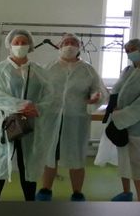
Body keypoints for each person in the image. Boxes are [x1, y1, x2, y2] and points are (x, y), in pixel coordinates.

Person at [0, 29, 54, 201]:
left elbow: (50, 95)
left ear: (30, 45)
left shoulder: (39, 71)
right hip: (5, 122)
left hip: (31, 124)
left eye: (24, 42)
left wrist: (38, 108)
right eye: (16, 42)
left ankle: (29, 202)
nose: (20, 45)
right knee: (0, 161)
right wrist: (23, 106)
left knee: (28, 163)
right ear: (9, 45)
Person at [38, 33, 108, 202]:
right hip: (52, 118)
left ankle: (77, 193)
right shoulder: (49, 67)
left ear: (79, 47)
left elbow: (98, 89)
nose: (69, 45)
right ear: (59, 46)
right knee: (50, 155)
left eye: (73, 43)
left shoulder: (88, 70)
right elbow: (39, 89)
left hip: (76, 119)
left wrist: (96, 96)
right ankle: (45, 190)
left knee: (76, 156)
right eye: (66, 42)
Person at [105, 38, 140, 202]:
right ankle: (126, 193)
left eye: (133, 49)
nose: (130, 53)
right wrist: (113, 107)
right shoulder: (128, 70)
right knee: (123, 159)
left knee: (135, 161)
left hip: (138, 125)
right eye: (127, 51)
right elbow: (117, 90)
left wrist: (122, 114)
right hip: (121, 122)